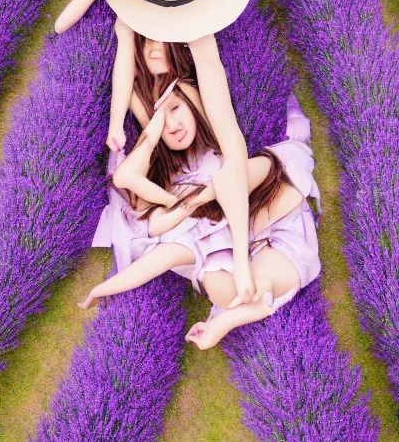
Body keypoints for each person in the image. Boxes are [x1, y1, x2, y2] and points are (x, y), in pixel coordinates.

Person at [54, 0, 265, 305]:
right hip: (180, 179)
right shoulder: (149, 89)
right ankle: (226, 259)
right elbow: (111, 66)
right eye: (148, 45)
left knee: (233, 170)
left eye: (161, 46)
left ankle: (232, 257)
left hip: (203, 175)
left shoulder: (190, 84)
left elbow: (232, 147)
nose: (153, 52)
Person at [78, 77, 322, 348]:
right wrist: (102, 288)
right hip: (260, 247)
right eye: (162, 124)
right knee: (238, 284)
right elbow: (157, 254)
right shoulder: (176, 201)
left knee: (226, 179)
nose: (172, 126)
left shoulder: (214, 130)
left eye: (175, 108)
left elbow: (204, 74)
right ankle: (227, 320)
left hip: (270, 193)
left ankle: (239, 295)